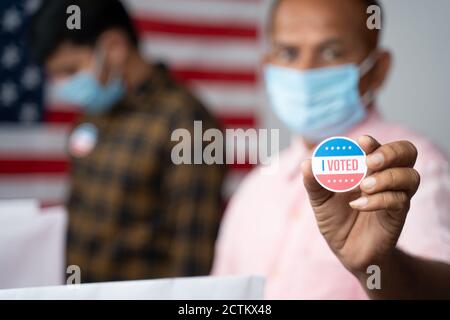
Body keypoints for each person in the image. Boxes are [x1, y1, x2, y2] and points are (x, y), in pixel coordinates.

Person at [212, 0, 450, 299]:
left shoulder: (414, 171)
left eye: (331, 52)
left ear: (377, 70)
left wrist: (379, 264)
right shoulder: (255, 188)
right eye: (289, 53)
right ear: (268, 67)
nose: (305, 70)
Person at [28, 0, 225, 282]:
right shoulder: (92, 113)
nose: (63, 86)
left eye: (71, 71)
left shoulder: (189, 124)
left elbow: (192, 258)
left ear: (114, 47)